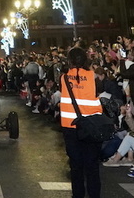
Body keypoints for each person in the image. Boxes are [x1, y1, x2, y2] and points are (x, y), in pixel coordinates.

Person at [58, 46, 103, 198]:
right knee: (92, 166)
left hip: (70, 126)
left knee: (76, 166)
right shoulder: (93, 77)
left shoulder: (63, 78)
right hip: (91, 125)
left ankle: (78, 195)